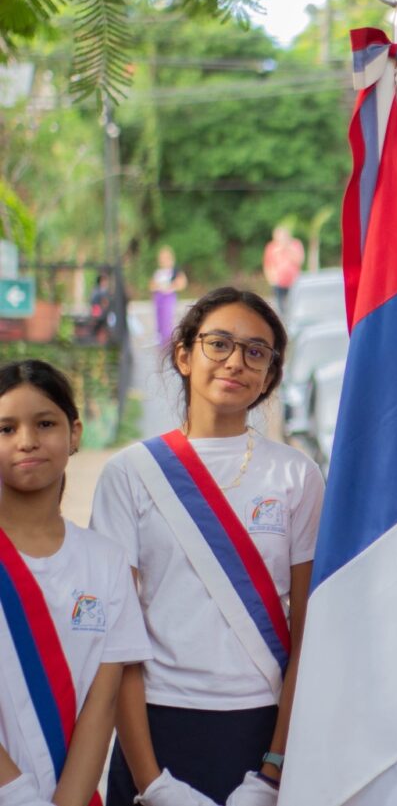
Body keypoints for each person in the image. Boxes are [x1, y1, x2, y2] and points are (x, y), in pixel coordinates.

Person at [91, 288, 324, 806]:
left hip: (263, 726)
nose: (236, 361)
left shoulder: (296, 475)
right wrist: (152, 783)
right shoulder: (129, 474)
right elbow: (117, 638)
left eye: (256, 351)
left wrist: (273, 771)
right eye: (218, 343)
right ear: (183, 355)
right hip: (155, 723)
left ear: (270, 374)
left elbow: (309, 627)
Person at [0, 360, 151, 806]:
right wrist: (21, 796)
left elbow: (102, 707)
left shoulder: (105, 562)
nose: (27, 441)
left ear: (75, 433)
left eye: (44, 423)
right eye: (5, 429)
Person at [149, 247, 187, 348]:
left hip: (168, 297)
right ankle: (160, 340)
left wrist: (170, 287)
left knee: (167, 320)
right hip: (158, 297)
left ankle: (167, 341)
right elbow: (151, 285)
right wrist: (157, 287)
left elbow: (182, 283)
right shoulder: (158, 272)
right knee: (159, 320)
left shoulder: (175, 270)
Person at [262, 228, 304, 317]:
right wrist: (271, 280)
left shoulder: (295, 244)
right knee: (280, 307)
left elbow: (299, 261)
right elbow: (268, 265)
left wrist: (288, 249)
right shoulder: (271, 247)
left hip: (294, 282)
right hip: (278, 282)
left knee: (294, 305)